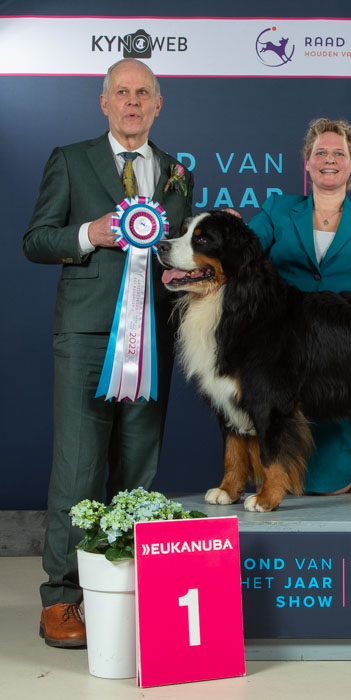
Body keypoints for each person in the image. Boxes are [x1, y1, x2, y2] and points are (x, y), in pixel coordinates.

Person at [23, 58, 193, 648]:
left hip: (152, 339)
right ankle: (62, 598)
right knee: (77, 468)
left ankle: (126, 589)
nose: (132, 102)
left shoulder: (177, 172)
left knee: (138, 470)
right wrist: (87, 234)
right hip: (86, 336)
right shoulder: (71, 160)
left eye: (143, 92)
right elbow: (36, 240)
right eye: (122, 92)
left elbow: (174, 251)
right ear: (104, 103)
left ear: (158, 104)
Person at [247, 117, 351, 495]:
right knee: (276, 420)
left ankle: (346, 470)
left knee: (328, 473)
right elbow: (245, 255)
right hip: (282, 345)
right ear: (307, 162)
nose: (329, 160)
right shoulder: (277, 209)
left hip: (343, 348)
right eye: (320, 153)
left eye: (339, 153)